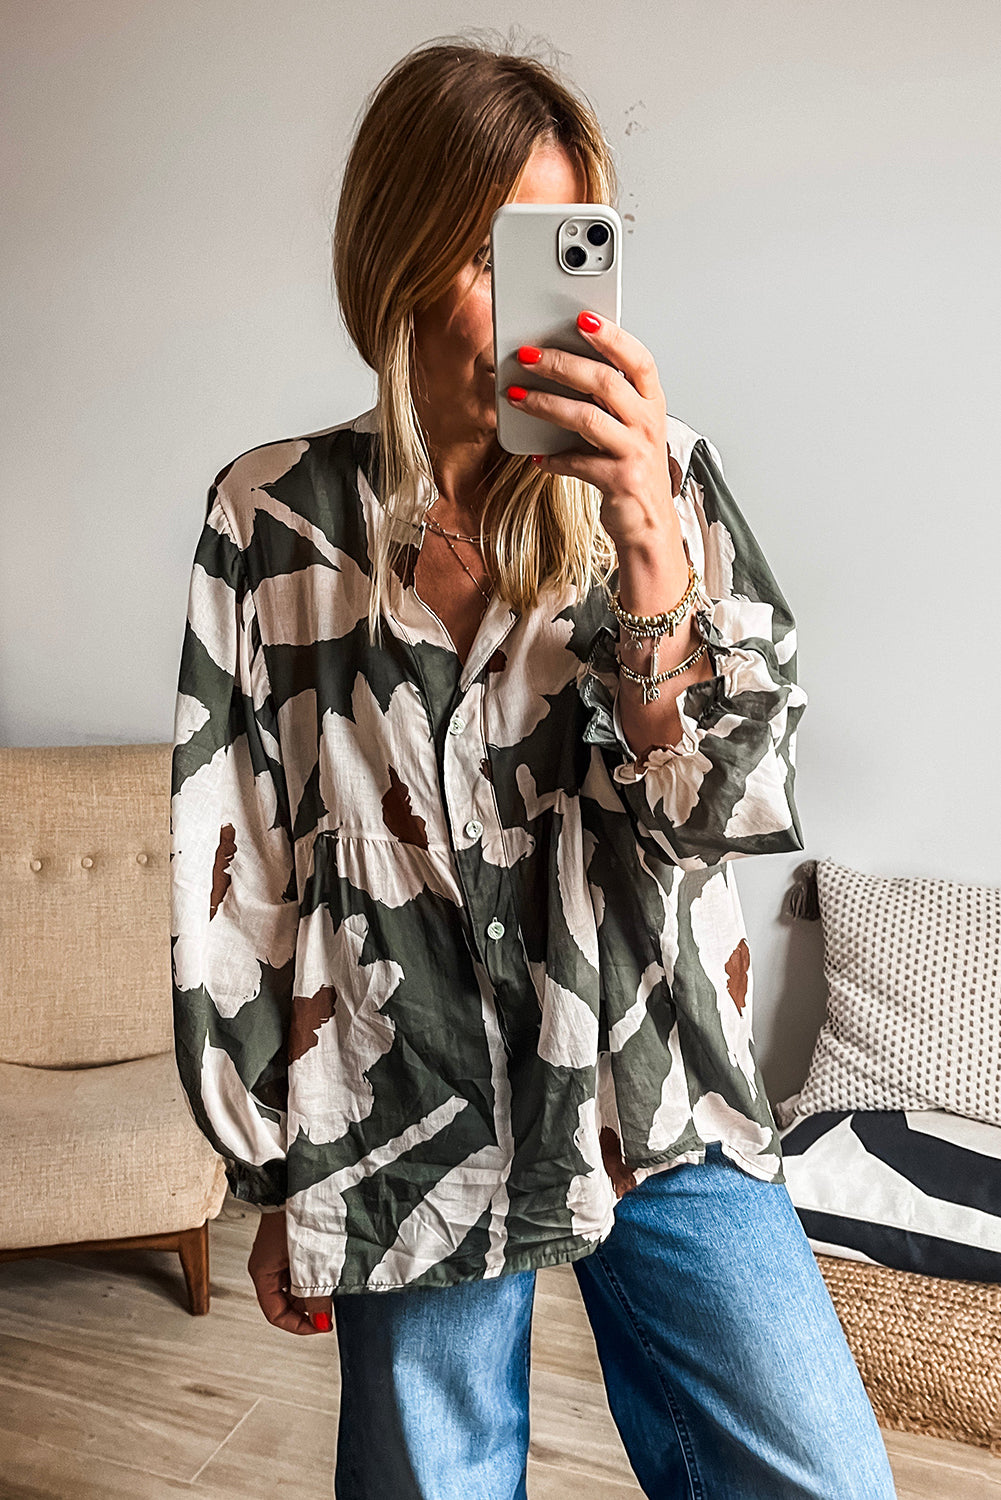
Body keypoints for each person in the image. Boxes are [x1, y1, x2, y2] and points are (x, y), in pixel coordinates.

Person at [169, 33, 898, 1500]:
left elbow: (725, 805)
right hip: (403, 1095)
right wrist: (275, 1171)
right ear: (396, 263)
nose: (536, 307)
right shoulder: (273, 521)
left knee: (822, 1479)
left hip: (652, 1074)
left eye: (564, 250)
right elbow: (239, 869)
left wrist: (649, 551)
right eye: (491, 254)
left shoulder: (661, 479)